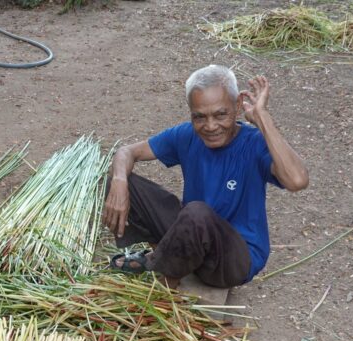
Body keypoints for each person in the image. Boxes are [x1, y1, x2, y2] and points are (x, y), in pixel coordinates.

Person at [102, 65, 308, 288]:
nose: (210, 126)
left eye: (221, 114)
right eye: (199, 117)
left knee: (196, 213)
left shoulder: (255, 143)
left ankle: (165, 280)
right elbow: (126, 152)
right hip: (192, 236)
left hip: (232, 259)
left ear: (238, 105)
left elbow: (297, 181)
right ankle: (165, 258)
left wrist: (262, 118)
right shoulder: (186, 135)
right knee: (122, 180)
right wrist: (120, 182)